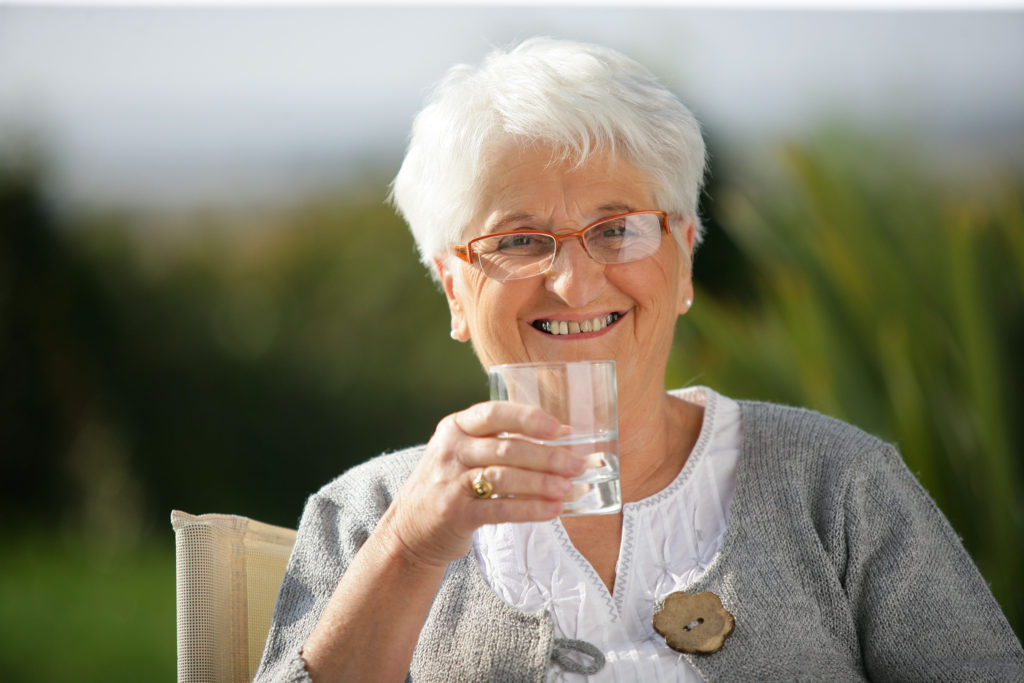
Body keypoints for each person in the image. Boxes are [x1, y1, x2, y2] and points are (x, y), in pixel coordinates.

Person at [254, 38, 1024, 681]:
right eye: (519, 240)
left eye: (617, 229)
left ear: (684, 261)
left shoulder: (839, 484)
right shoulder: (365, 515)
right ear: (455, 288)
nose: (574, 280)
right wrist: (409, 546)